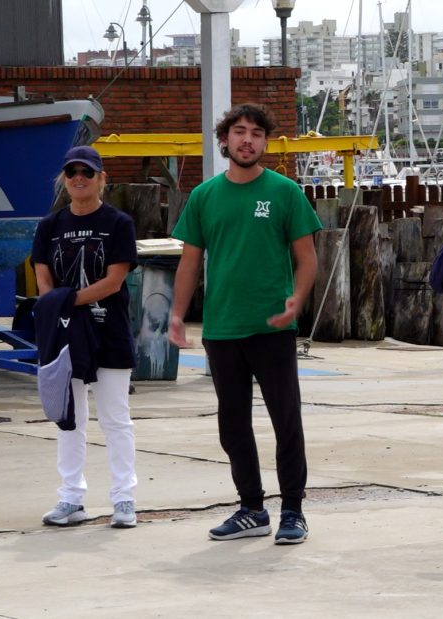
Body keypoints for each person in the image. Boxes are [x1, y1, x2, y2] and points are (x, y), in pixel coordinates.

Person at [169, 103, 321, 545]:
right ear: (225, 141)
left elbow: (307, 257)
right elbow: (189, 264)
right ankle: (251, 508)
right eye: (239, 132)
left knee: (285, 419)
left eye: (256, 133)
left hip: (272, 328)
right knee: (232, 423)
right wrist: (177, 315)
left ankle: (292, 509)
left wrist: (297, 300)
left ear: (265, 143)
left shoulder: (285, 192)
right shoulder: (203, 196)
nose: (247, 140)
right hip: (222, 328)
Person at [32, 145, 139, 529]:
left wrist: (67, 300)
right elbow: (43, 276)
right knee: (69, 418)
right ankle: (70, 498)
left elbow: (113, 281)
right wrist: (58, 305)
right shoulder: (50, 226)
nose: (79, 178)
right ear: (64, 178)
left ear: (101, 179)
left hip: (108, 331)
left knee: (115, 418)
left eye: (87, 172)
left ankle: (124, 498)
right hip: (64, 336)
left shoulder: (118, 223)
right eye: (72, 172)